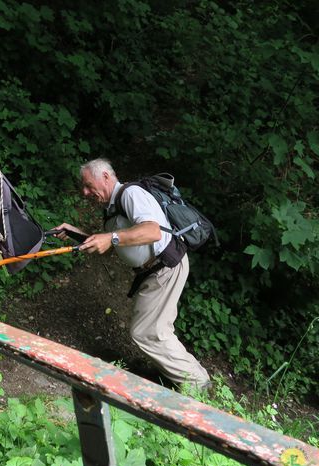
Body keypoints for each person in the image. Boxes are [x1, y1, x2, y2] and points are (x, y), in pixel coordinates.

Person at [56, 158, 210, 390]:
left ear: (106, 177)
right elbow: (110, 248)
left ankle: (199, 385)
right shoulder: (112, 210)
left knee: (147, 332)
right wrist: (77, 235)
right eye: (83, 187)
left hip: (165, 266)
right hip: (153, 272)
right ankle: (182, 377)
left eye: (88, 185)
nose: (85, 191)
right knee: (155, 330)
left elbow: (152, 231)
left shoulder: (131, 194)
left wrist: (111, 237)